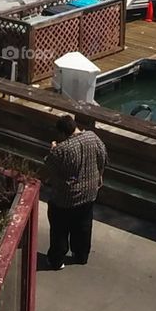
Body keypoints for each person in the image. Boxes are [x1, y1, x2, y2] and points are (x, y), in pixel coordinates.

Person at [44, 113, 107, 270]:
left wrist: (53, 148)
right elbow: (103, 157)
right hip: (89, 192)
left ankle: (57, 260)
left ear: (62, 133)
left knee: (60, 229)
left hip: (65, 197)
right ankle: (81, 256)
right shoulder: (93, 137)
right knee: (83, 226)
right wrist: (99, 176)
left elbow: (50, 167)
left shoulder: (61, 149)